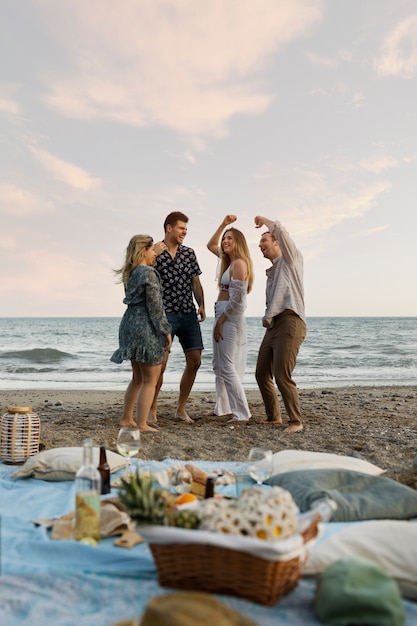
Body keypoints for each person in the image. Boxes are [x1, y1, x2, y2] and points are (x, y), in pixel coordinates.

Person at [111, 235, 172, 432]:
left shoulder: (129, 273)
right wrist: (166, 330)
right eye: (153, 250)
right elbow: (155, 306)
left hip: (128, 324)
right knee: (150, 380)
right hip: (145, 326)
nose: (155, 254)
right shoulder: (148, 273)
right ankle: (143, 424)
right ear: (144, 250)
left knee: (137, 377)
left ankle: (126, 419)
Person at [149, 211, 206, 424]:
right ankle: (151, 408)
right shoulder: (154, 252)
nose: (185, 232)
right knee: (160, 364)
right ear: (169, 227)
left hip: (188, 313)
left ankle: (181, 409)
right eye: (181, 228)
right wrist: (152, 254)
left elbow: (196, 282)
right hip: (165, 314)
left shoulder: (189, 253)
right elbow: (143, 275)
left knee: (195, 361)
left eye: (186, 229)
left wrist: (201, 304)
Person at [254, 215, 306, 433]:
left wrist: (263, 220)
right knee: (261, 372)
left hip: (291, 321)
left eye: (264, 240)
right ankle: (274, 417)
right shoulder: (272, 272)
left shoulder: (290, 259)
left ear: (276, 241)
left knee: (282, 374)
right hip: (274, 324)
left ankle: (295, 421)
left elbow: (282, 231)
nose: (260, 245)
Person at [206, 215, 254, 421]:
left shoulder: (240, 264)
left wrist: (221, 320)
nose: (225, 241)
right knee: (218, 366)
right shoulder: (228, 261)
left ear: (239, 243)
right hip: (221, 312)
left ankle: (242, 413)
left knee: (227, 365)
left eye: (230, 238)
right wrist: (223, 225)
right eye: (225, 238)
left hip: (229, 315)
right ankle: (223, 408)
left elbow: (238, 301)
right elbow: (210, 245)